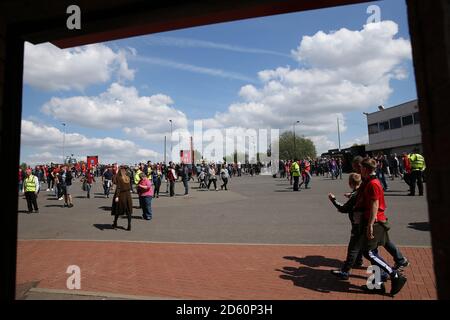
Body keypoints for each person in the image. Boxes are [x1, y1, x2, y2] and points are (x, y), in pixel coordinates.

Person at [357, 158, 407, 296]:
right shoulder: (370, 181)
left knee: (369, 252)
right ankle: (376, 284)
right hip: (375, 220)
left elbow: (375, 204)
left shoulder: (373, 183)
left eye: (361, 168)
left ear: (366, 169)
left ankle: (394, 274)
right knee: (374, 252)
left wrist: (370, 224)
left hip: (376, 221)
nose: (359, 170)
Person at [328, 173, 364, 280]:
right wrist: (351, 194)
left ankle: (345, 271)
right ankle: (359, 261)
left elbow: (343, 208)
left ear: (350, 183)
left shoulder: (355, 195)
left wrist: (333, 200)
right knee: (365, 248)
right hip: (363, 222)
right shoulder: (360, 191)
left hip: (357, 223)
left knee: (353, 248)